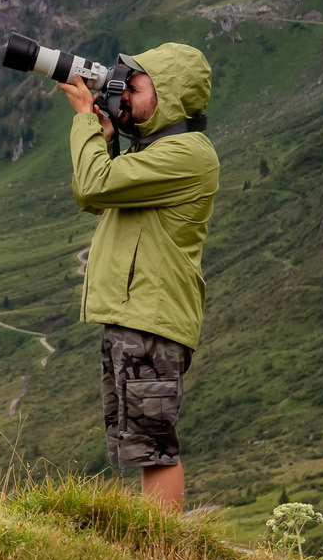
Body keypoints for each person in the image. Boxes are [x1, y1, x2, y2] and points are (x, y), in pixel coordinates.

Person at [56, 43, 218, 509]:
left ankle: (161, 555)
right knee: (139, 441)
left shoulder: (188, 153)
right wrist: (106, 134)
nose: (123, 93)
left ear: (167, 95)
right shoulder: (161, 150)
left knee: (153, 447)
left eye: (136, 85)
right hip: (137, 314)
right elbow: (99, 193)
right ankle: (154, 549)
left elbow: (93, 185)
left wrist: (86, 118)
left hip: (152, 317)